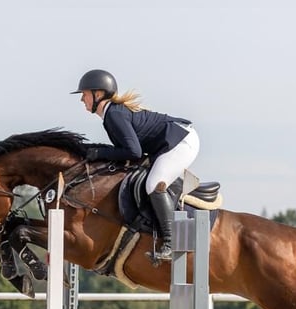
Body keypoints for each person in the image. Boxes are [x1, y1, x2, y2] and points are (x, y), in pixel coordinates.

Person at [71, 69, 200, 261]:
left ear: (98, 94)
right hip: (171, 142)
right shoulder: (111, 114)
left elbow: (134, 152)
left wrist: (98, 153)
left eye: (84, 94)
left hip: (181, 141)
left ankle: (172, 242)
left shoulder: (114, 114)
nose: (82, 99)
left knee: (153, 184)